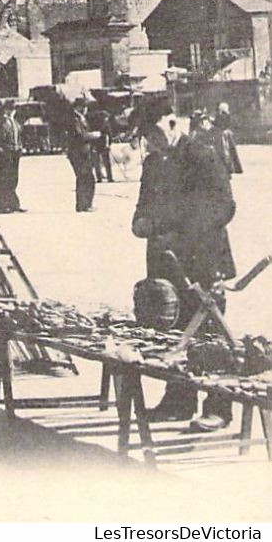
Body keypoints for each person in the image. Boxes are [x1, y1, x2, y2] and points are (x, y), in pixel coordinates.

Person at [132, 112, 237, 431]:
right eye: (147, 136)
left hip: (201, 260)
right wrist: (140, 222)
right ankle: (178, 400)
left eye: (155, 132)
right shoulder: (153, 163)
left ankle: (219, 406)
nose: (151, 141)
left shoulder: (202, 155)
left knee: (209, 334)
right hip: (165, 263)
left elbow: (223, 206)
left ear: (173, 124)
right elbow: (143, 204)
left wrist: (176, 231)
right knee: (172, 331)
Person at [0, 100, 26, 214]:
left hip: (15, 154)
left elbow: (18, 137)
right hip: (4, 155)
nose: (10, 112)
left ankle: (13, 204)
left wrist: (20, 147)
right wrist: (0, 151)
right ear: (4, 110)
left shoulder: (15, 123)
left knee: (13, 179)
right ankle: (1, 206)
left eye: (12, 109)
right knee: (3, 180)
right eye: (8, 110)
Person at [66, 97, 98, 212]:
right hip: (77, 152)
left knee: (88, 177)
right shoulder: (74, 119)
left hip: (84, 151)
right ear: (79, 107)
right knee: (83, 177)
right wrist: (94, 135)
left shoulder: (81, 118)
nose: (86, 109)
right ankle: (82, 205)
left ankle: (87, 203)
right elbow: (79, 136)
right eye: (84, 106)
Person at [213, 102, 244, 177]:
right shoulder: (228, 115)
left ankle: (227, 169)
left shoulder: (220, 116)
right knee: (231, 151)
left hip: (222, 135)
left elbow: (217, 124)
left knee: (224, 152)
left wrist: (211, 121)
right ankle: (234, 168)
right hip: (228, 134)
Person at [89, 106, 114, 182]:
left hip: (95, 142)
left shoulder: (91, 121)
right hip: (103, 142)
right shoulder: (105, 122)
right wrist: (109, 144)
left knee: (97, 162)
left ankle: (99, 177)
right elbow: (109, 134)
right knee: (106, 161)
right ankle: (109, 177)